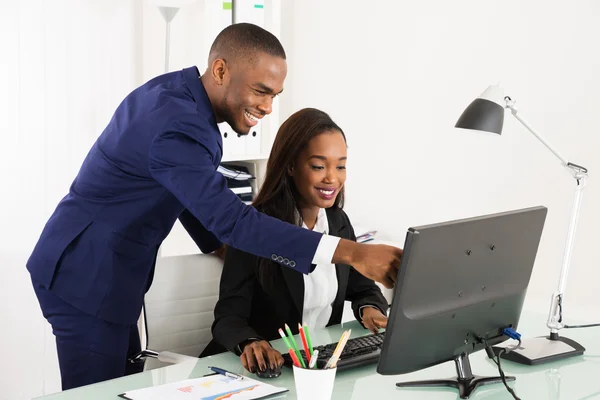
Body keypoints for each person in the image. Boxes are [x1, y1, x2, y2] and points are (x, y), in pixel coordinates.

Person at [27, 23, 401, 390]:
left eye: (275, 95)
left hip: (108, 271)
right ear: (220, 70)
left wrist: (218, 244)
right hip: (85, 274)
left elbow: (180, 187)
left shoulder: (180, 98)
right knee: (98, 394)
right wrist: (352, 253)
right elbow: (232, 220)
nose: (269, 107)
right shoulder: (180, 123)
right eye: (260, 91)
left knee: (123, 388)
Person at [200, 108, 389, 373]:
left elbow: (362, 288)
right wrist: (251, 343)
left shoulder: (337, 222)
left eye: (341, 166)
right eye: (318, 166)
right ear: (290, 166)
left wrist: (370, 309)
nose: (332, 178)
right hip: (259, 371)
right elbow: (228, 318)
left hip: (315, 367)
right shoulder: (256, 229)